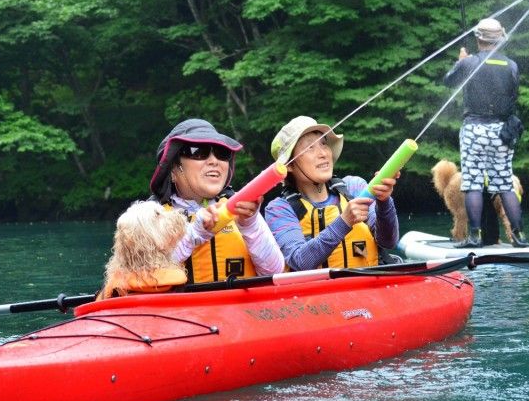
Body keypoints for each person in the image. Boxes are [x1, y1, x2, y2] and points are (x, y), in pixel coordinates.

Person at [149, 118, 285, 283]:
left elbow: (274, 271)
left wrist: (250, 225)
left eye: (222, 153)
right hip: (181, 308)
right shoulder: (151, 215)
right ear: (172, 170)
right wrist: (195, 234)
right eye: (198, 152)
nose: (214, 161)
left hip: (239, 308)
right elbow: (146, 274)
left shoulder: (242, 210)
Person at [264, 116, 400, 270]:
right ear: (289, 165)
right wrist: (345, 221)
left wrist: (384, 202)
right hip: (317, 294)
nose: (323, 153)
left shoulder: (354, 187)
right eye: (310, 148)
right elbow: (300, 261)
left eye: (323, 143)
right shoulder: (278, 209)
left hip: (367, 290)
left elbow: (388, 241)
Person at [443, 17, 529, 248]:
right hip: (502, 131)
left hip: (475, 129)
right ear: (500, 38)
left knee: (472, 182)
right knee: (504, 183)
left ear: (478, 39)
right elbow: (512, 94)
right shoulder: (511, 65)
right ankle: (519, 237)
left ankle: (474, 236)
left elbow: (448, 81)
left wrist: (461, 62)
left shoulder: (469, 63)